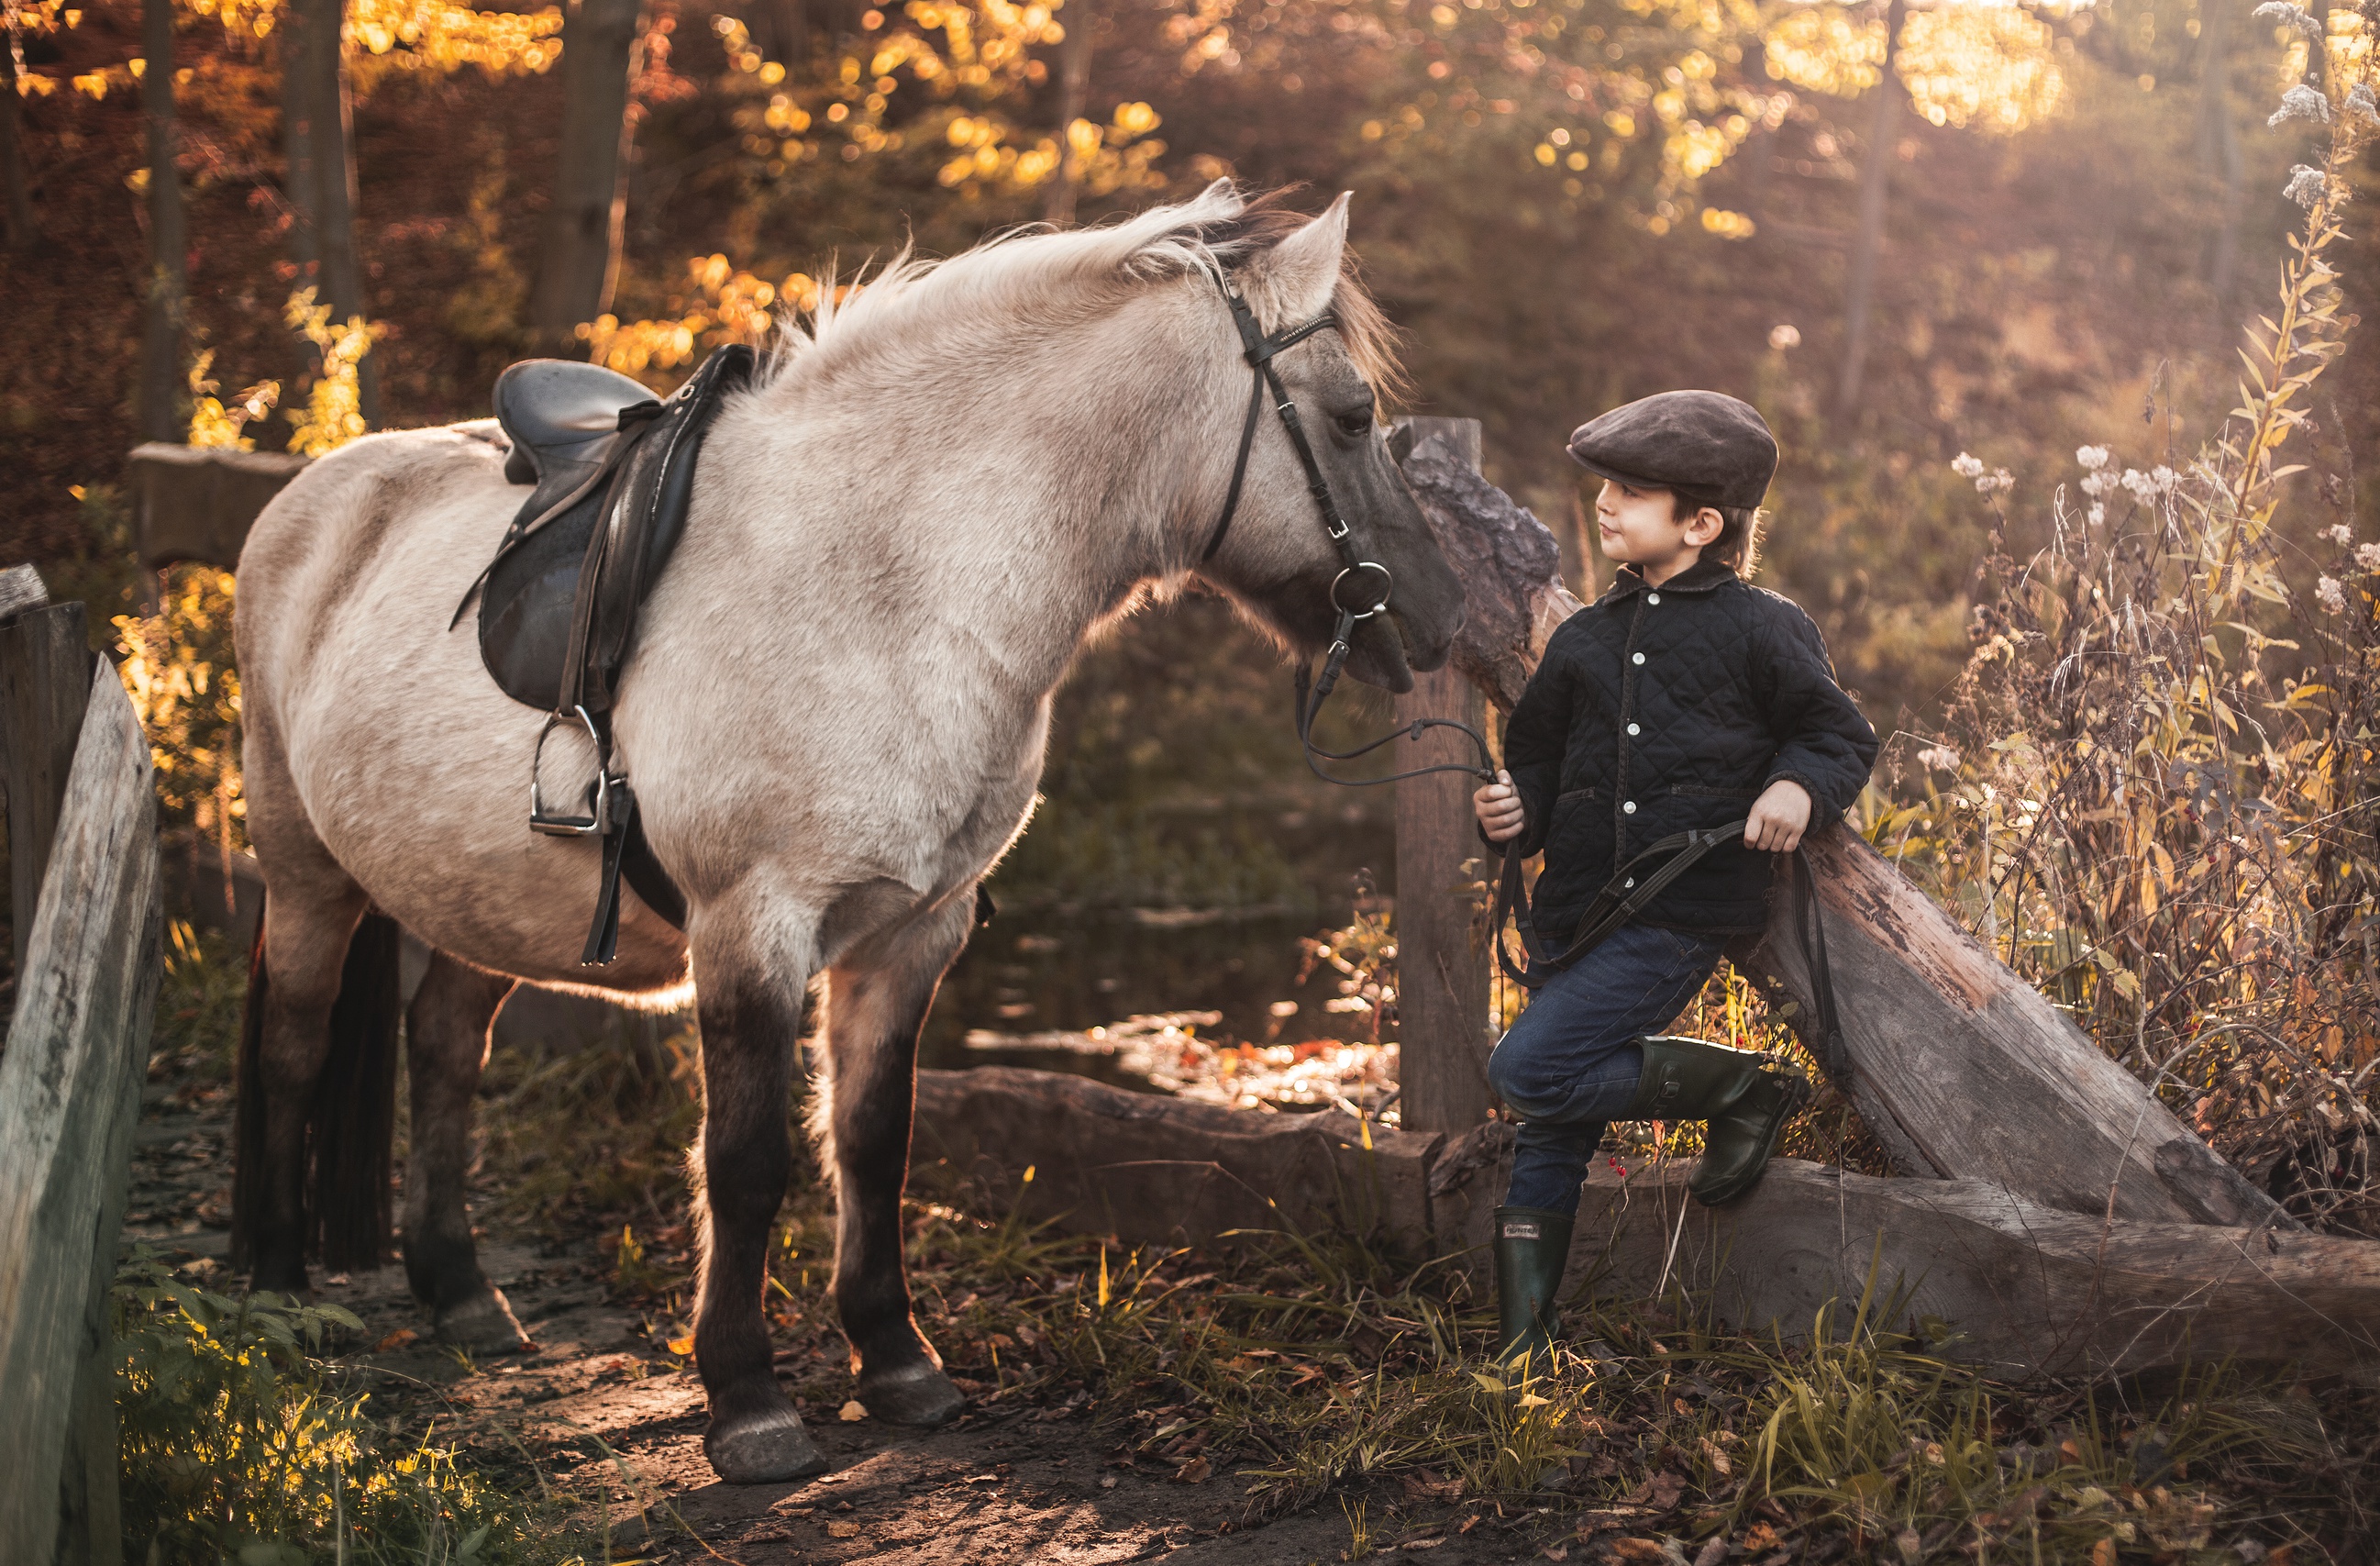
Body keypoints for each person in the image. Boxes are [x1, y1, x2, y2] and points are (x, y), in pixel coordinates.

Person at [1471, 390, 1878, 1366]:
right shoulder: (1582, 641)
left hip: (1679, 912)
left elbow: (1837, 736)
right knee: (1551, 1122)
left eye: (1632, 492)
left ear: (1702, 524)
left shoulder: (1762, 628)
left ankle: (1745, 1088)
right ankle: (1526, 1350)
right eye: (1606, 487)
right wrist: (1511, 809)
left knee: (1529, 1071)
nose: (1606, 504)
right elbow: (1536, 759)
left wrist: (1794, 786)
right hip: (1573, 913)